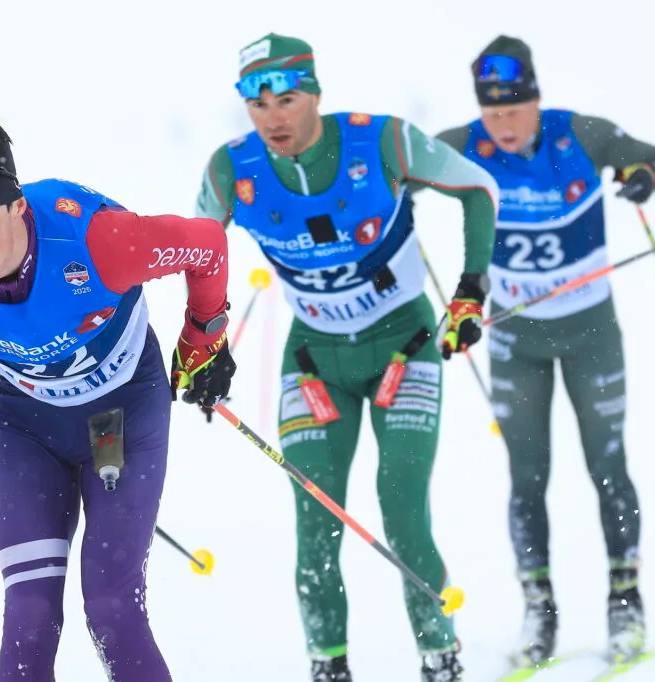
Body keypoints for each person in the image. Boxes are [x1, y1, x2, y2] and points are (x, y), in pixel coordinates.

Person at [0, 110, 237, 682]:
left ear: (17, 207)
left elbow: (206, 244)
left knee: (112, 606)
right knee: (30, 615)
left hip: (118, 415)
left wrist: (204, 338)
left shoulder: (100, 243)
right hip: (20, 425)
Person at [195, 33, 499, 682]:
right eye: (256, 103)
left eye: (286, 99)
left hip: (405, 346)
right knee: (316, 523)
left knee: (402, 509)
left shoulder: (381, 141)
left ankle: (440, 658)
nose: (272, 117)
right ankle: (328, 668)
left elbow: (477, 186)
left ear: (315, 92)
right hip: (314, 359)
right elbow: (194, 252)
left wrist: (471, 289)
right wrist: (201, 341)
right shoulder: (230, 170)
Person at [432, 35, 655, 668]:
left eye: (514, 110)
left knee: (609, 466)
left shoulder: (581, 134)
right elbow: (393, 174)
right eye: (492, 113)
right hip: (516, 342)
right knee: (527, 477)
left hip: (590, 335)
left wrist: (645, 175)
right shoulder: (465, 146)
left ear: (537, 100)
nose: (503, 126)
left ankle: (625, 601)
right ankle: (539, 610)